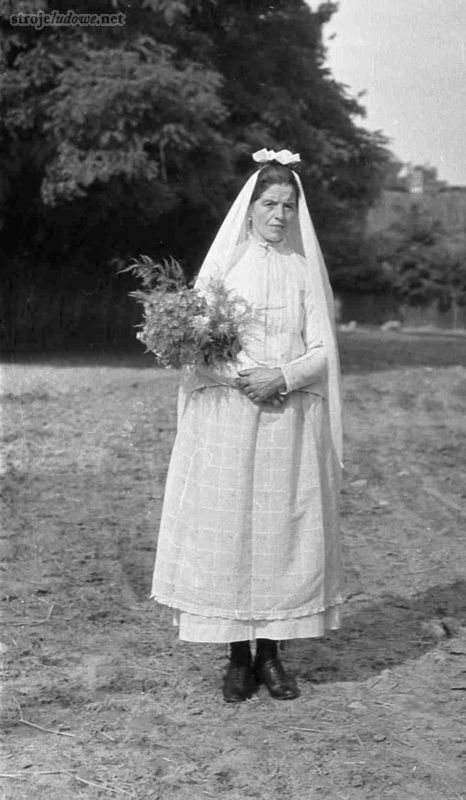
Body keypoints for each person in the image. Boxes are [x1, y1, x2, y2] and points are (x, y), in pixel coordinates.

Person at [151, 148, 343, 702]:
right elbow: (199, 343)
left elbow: (321, 350)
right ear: (251, 207)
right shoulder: (225, 269)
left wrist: (281, 376)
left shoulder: (303, 272)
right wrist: (245, 377)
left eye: (288, 205)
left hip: (286, 420)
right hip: (230, 418)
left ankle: (273, 655)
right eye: (269, 203)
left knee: (280, 531)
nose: (279, 215)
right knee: (232, 529)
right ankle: (236, 656)